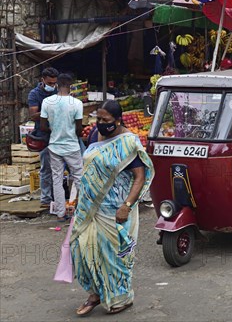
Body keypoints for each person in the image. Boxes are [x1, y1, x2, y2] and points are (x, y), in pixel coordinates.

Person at [70, 100, 154, 316]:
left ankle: (121, 298)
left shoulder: (128, 142)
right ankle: (95, 293)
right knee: (82, 249)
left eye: (105, 120)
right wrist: (79, 197)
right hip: (89, 207)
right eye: (97, 119)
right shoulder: (93, 136)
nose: (99, 123)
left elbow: (139, 177)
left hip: (115, 210)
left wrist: (126, 206)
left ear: (117, 120)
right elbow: (88, 170)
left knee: (114, 256)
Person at [40, 73, 83, 221]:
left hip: (54, 146)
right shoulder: (77, 103)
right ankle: (84, 211)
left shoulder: (47, 102)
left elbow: (43, 126)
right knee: (79, 178)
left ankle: (60, 213)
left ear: (56, 85)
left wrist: (55, 130)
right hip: (72, 146)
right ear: (70, 86)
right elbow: (79, 129)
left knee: (56, 179)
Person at [27, 67, 58, 208]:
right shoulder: (34, 94)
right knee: (46, 168)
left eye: (54, 83)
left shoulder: (58, 91)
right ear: (43, 80)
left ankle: (60, 197)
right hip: (44, 135)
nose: (52, 86)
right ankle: (46, 199)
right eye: (50, 83)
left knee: (61, 169)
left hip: (59, 134)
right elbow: (33, 115)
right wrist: (48, 109)